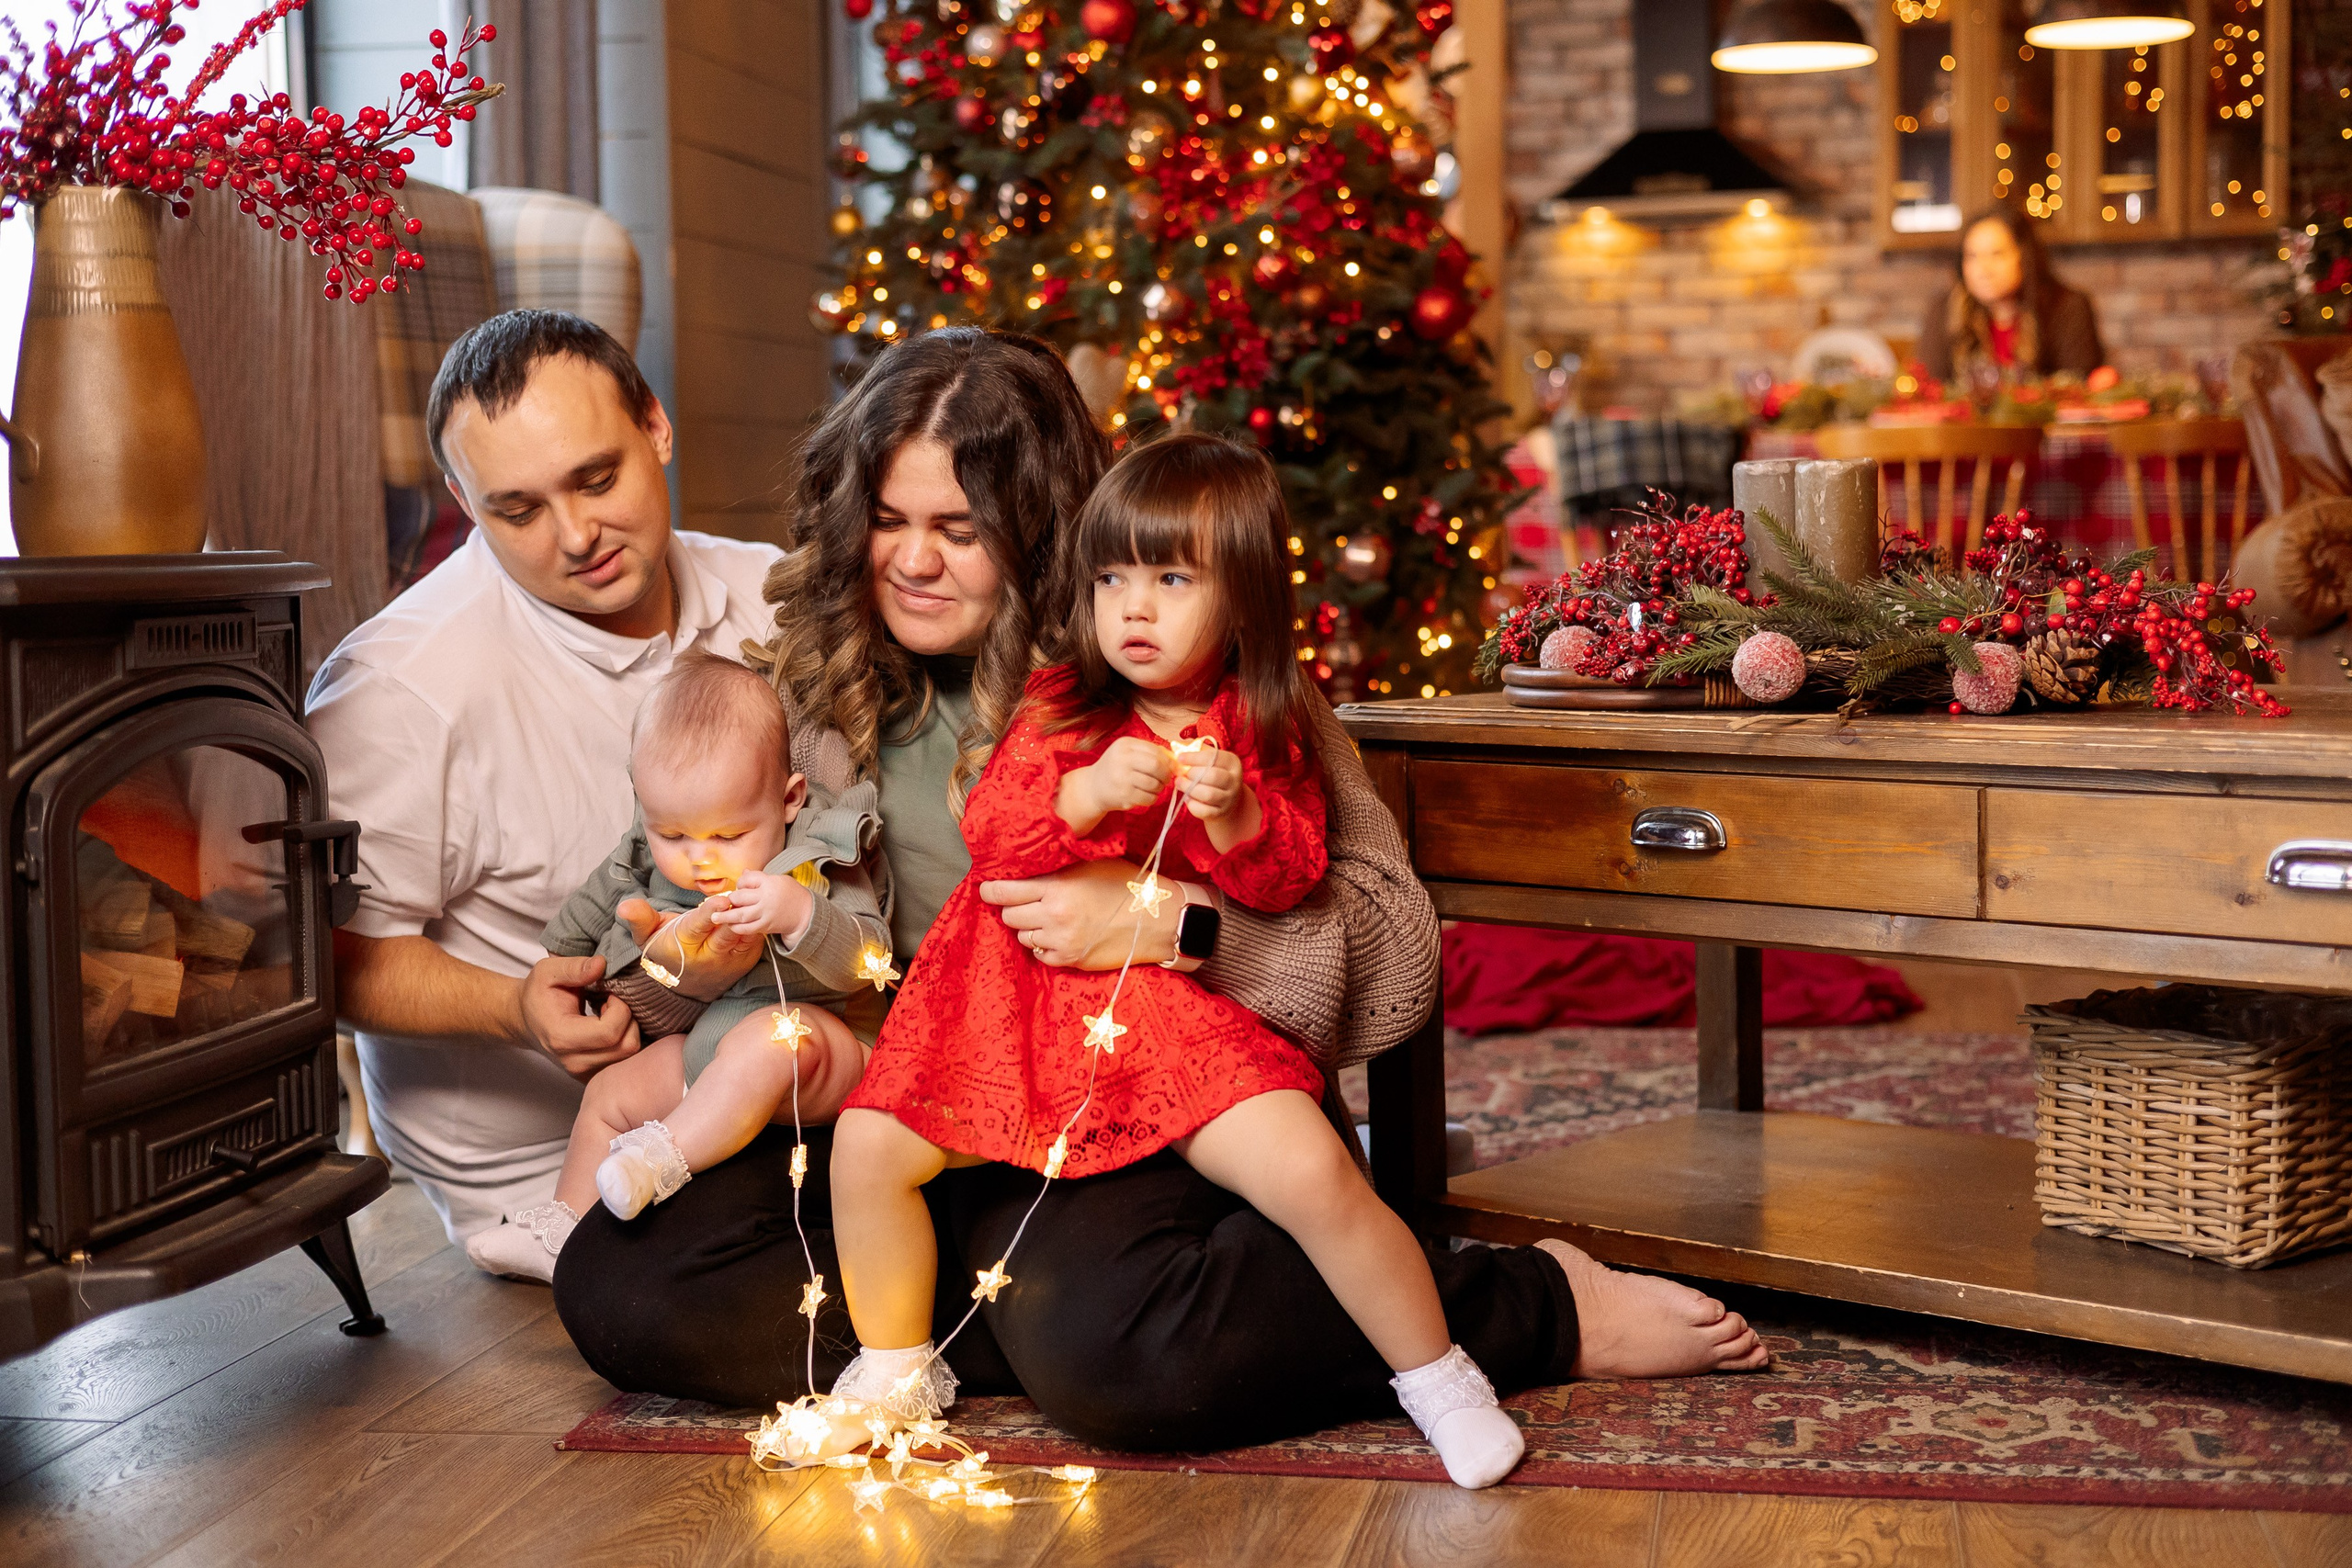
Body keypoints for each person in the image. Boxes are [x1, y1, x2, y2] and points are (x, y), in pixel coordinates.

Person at [551, 327, 1768, 1454]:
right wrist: (642, 984)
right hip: (907, 1112)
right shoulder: (803, 693)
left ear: (1042, 533)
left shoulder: (1183, 676)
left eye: (961, 529)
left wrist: (1173, 924)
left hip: (1116, 1092)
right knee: (625, 1279)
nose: (914, 558)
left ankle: (1520, 1306)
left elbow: (1396, 950)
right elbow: (676, 921)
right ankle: (1008, 1324)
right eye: (887, 518)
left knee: (1130, 1357)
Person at [824, 433, 1526, 1488]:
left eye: (1169, 579)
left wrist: (1237, 815)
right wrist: (1085, 795)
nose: (1133, 610)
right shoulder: (1063, 703)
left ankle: (1439, 1375)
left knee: (1314, 1174)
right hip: (1013, 1015)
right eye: (1111, 579)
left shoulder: (1265, 726)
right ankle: (892, 1367)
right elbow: (998, 833)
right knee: (869, 1150)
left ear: (1242, 602)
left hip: (1166, 1019)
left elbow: (1291, 881)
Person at [307, 310, 784, 1247]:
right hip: (543, 1169)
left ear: (656, 426)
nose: (575, 535)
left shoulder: (776, 595)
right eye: (516, 510)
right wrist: (515, 1010)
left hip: (764, 1080)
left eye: (596, 479)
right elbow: (332, 960)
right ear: (462, 496)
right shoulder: (398, 690)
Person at [463, 653, 885, 1281]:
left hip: (824, 1048)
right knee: (613, 1091)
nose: (700, 860)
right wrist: (564, 958)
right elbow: (599, 897)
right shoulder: (654, 844)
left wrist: (799, 914)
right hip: (707, 1045)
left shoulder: (817, 851)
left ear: (789, 798)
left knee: (768, 1041)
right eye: (674, 836)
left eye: (728, 835)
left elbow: (869, 958)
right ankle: (565, 1231)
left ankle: (658, 1159)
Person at [1917, 206, 2105, 385]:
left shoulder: (2067, 307)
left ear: (2025, 256)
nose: (1983, 269)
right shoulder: (1946, 310)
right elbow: (1931, 390)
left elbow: (2077, 389)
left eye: (1997, 254)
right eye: (1972, 256)